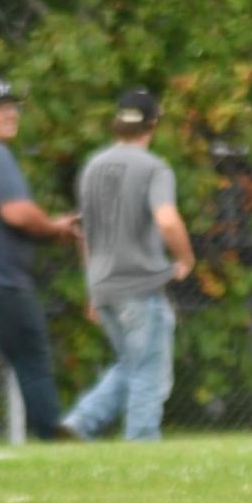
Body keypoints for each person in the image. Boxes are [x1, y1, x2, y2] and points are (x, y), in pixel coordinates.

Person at [61, 89, 194, 441]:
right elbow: (167, 220)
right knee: (149, 371)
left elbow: (84, 231)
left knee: (130, 364)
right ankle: (141, 443)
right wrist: (184, 258)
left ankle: (78, 424)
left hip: (102, 284)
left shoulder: (92, 166)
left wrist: (91, 286)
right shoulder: (154, 168)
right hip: (140, 284)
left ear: (116, 123)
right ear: (153, 124)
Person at [0, 77, 80, 440]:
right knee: (33, 362)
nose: (11, 114)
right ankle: (53, 441)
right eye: (1, 108)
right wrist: (54, 229)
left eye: (14, 107)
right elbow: (16, 212)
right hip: (0, 281)